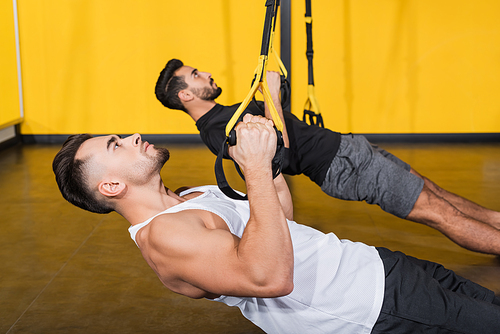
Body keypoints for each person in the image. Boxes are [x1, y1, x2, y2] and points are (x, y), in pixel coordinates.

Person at [52, 114, 500, 333]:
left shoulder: (189, 197)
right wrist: (251, 170)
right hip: (371, 308)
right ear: (111, 187)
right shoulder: (164, 237)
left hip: (378, 270)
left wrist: (267, 164)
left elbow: (279, 223)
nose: (131, 136)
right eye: (115, 145)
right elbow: (269, 276)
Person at [154, 58, 500, 256]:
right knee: (437, 212)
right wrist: (271, 94)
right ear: (185, 94)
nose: (208, 74)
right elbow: (278, 155)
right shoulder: (216, 131)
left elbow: (277, 125)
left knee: (432, 191)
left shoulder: (225, 113)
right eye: (197, 76)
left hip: (348, 149)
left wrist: (274, 94)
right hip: (342, 166)